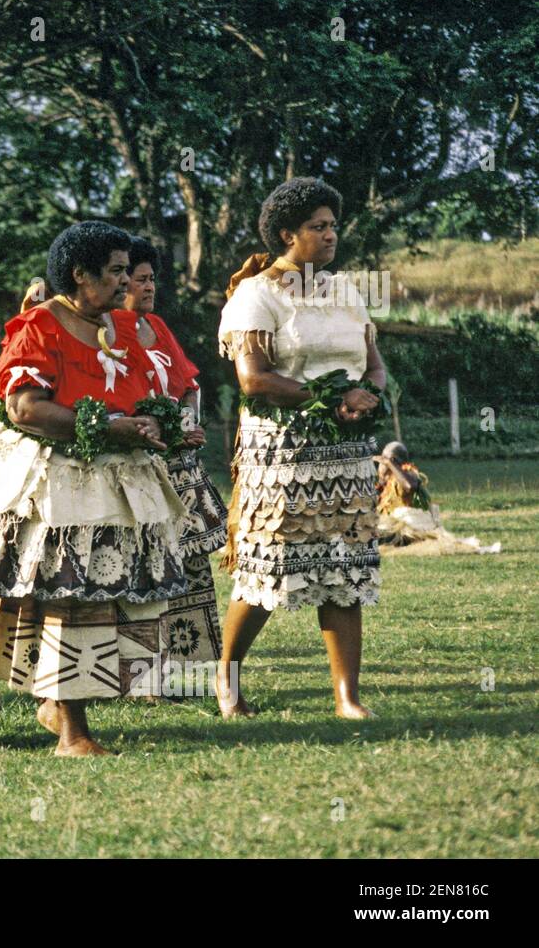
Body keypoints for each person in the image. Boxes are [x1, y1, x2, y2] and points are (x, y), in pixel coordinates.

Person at [0, 221, 188, 755]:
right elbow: (23, 407)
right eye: (116, 271)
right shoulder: (39, 327)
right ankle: (72, 732)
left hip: (114, 480)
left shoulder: (119, 325)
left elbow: (137, 391)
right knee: (67, 598)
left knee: (104, 601)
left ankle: (60, 708)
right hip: (57, 482)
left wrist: (152, 422)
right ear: (80, 275)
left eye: (126, 271)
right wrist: (107, 427)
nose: (125, 282)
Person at [217, 177, 385, 720]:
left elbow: (372, 361)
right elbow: (253, 378)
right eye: (319, 226)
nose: (331, 234)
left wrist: (369, 397)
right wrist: (329, 399)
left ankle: (347, 696)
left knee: (346, 567)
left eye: (333, 225)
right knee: (271, 565)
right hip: (284, 453)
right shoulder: (257, 294)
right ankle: (226, 675)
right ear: (288, 234)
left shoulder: (346, 290)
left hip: (348, 453)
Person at [123, 236, 228, 689]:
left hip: (178, 465)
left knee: (187, 562)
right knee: (143, 566)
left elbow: (187, 384)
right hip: (139, 464)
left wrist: (186, 422)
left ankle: (189, 668)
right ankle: (139, 673)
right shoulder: (107, 331)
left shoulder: (158, 328)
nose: (149, 287)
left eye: (152, 279)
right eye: (139, 280)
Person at [375, 441, 500, 553]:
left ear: (393, 460)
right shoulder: (385, 482)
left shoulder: (409, 473)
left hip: (411, 529)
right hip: (393, 528)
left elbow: (410, 486)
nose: (381, 462)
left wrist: (388, 463)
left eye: (384, 459)